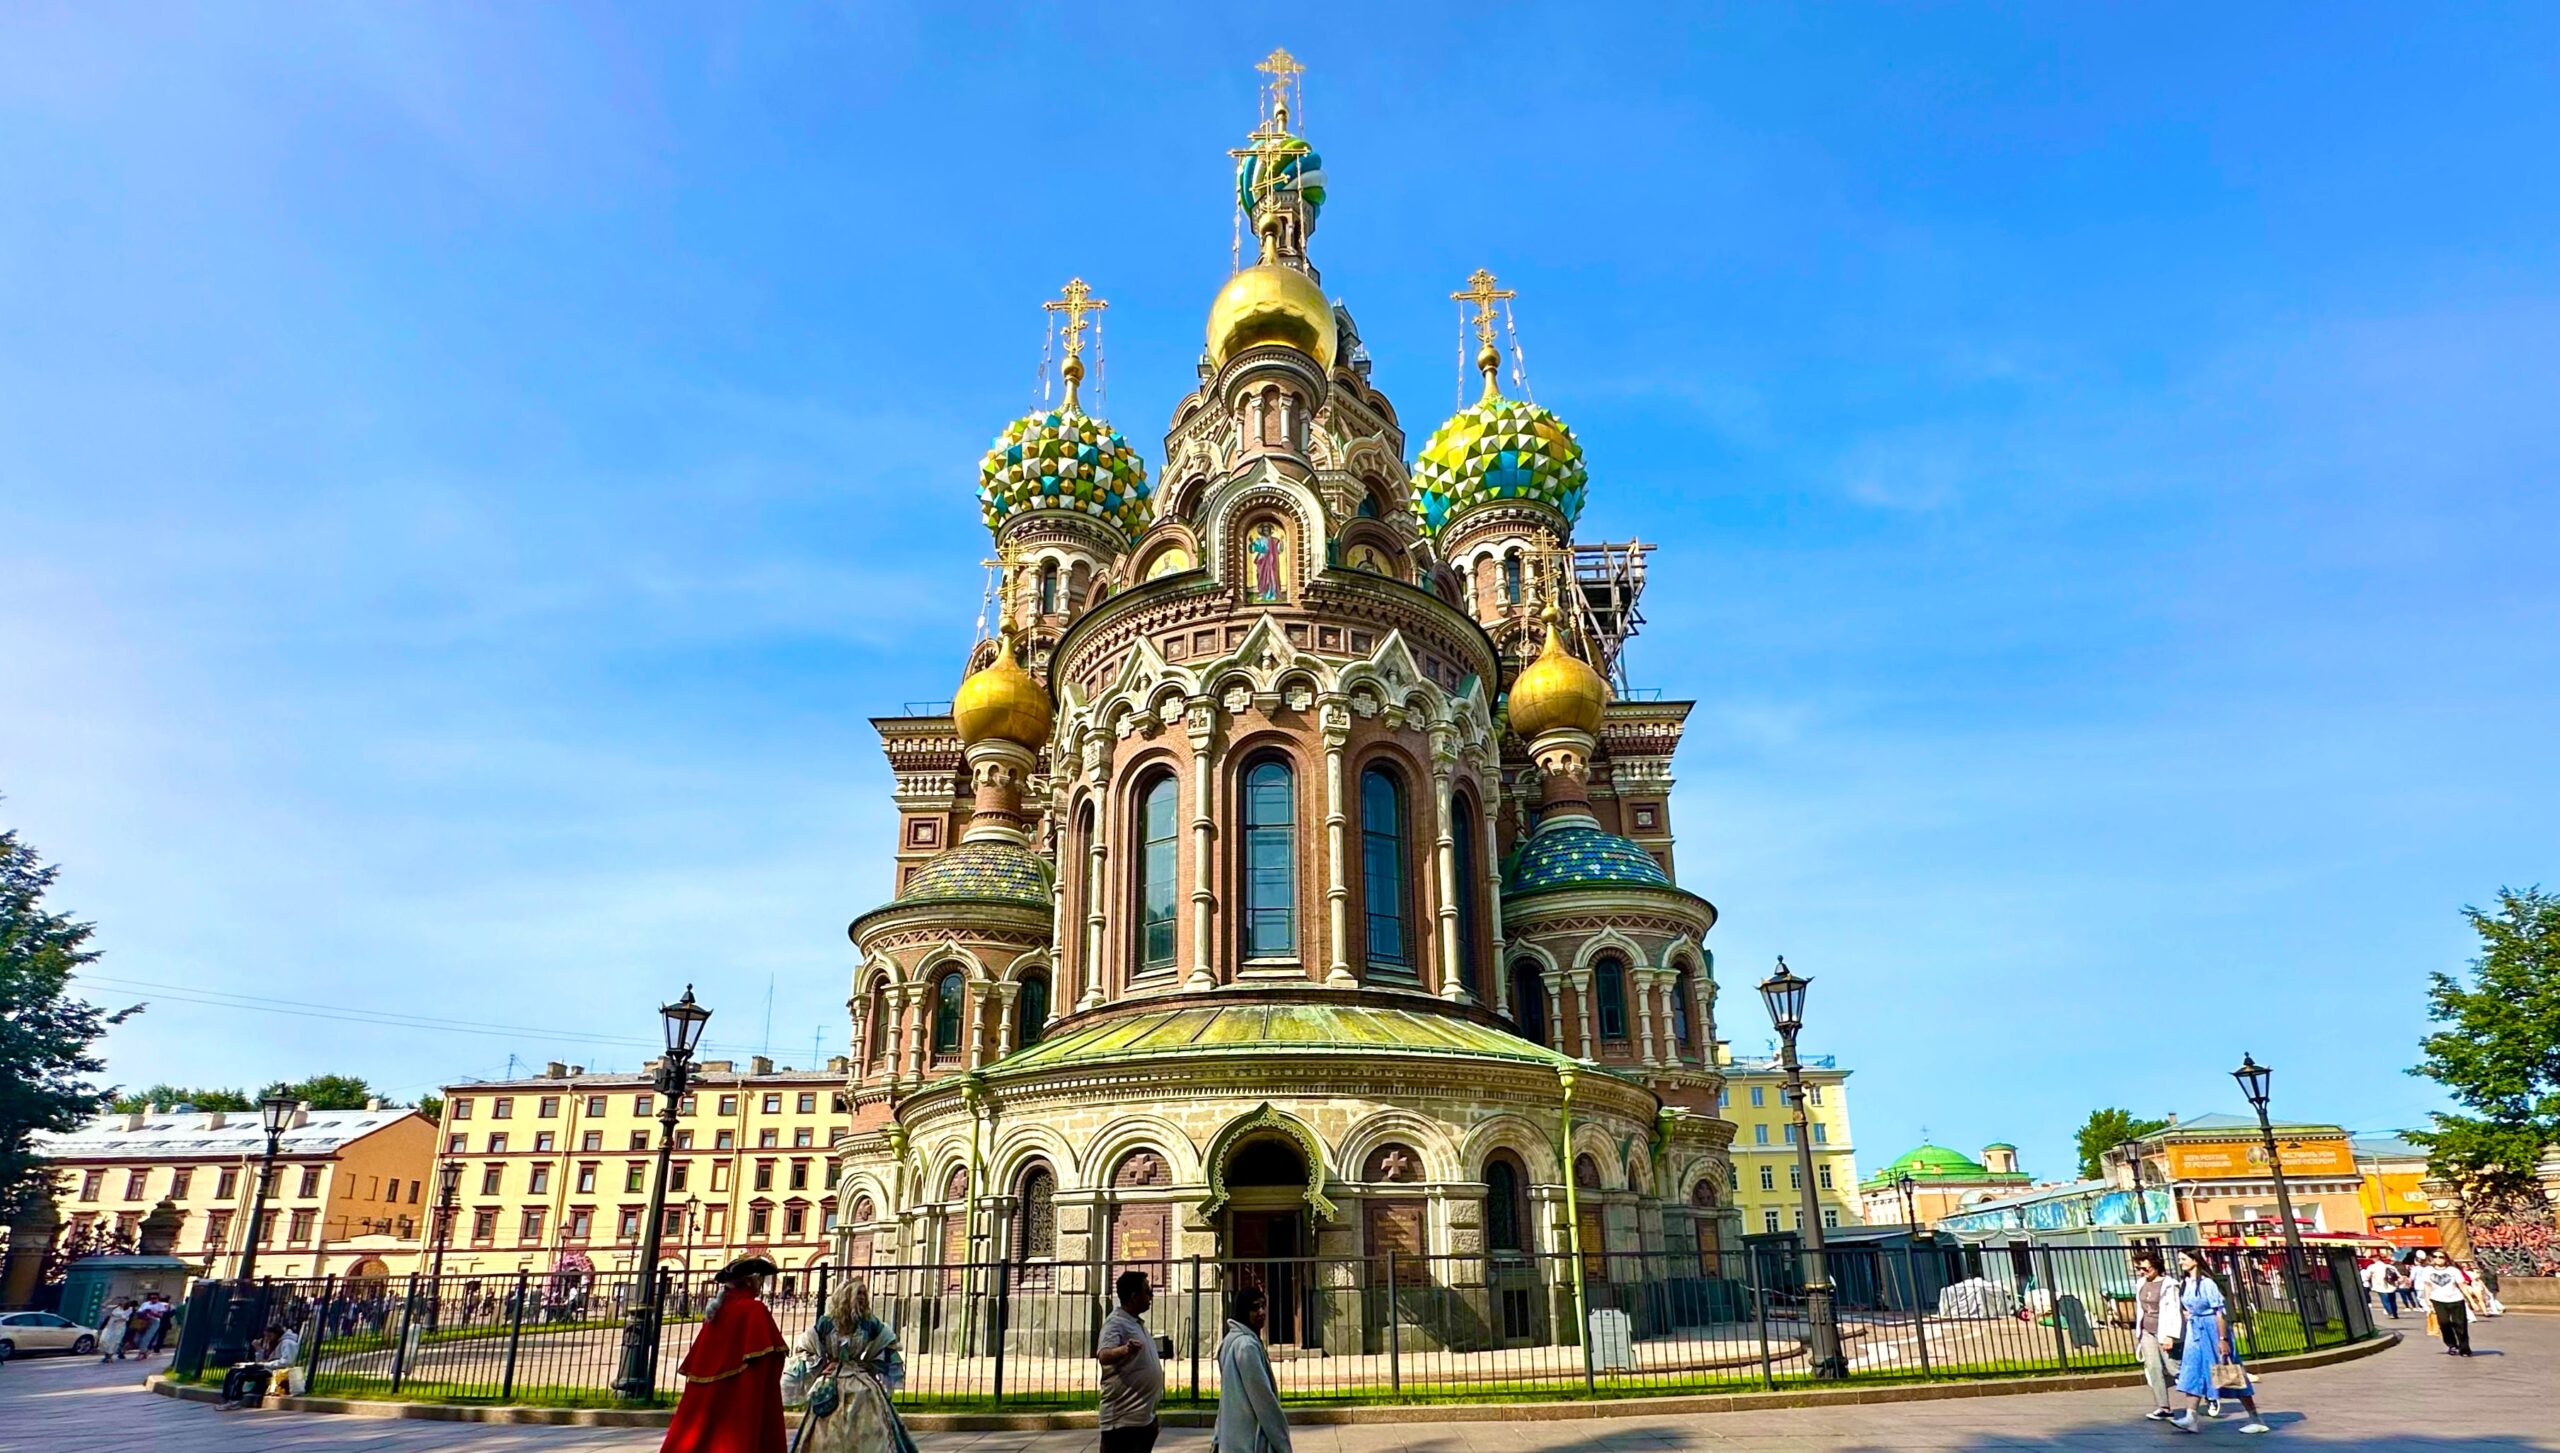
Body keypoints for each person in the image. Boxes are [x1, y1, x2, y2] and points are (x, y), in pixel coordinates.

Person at [663, 1256, 788, 1453]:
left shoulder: (718, 1310)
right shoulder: (754, 1308)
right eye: (759, 1279)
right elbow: (768, 1359)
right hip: (743, 1389)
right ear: (749, 1281)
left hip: (711, 1391)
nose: (761, 1284)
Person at [780, 1278, 916, 1453]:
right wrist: (822, 1364)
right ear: (846, 1296)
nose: (862, 1297)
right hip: (833, 1378)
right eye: (858, 1293)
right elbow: (807, 1345)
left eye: (864, 1293)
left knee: (867, 1403)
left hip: (859, 1376)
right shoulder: (827, 1322)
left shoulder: (868, 1322)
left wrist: (871, 1364)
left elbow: (888, 1341)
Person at [2167, 1250, 2269, 1435]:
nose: (2180, 1262)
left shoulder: (2207, 1284)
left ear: (2195, 1261)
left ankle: (2255, 1418)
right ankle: (2191, 1416)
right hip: (2195, 1331)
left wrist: (2223, 1339)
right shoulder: (2186, 1283)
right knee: (2193, 1370)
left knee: (2230, 1371)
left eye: (2183, 1259)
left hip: (2212, 1330)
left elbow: (2219, 1313)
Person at [1096, 1270, 1167, 1453]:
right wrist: (1124, 1350)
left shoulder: (1134, 1322)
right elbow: (1103, 1355)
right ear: (1134, 1297)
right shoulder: (1115, 1323)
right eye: (1147, 1291)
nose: (1151, 1296)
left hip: (1142, 1418)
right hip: (1122, 1422)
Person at [1214, 1286, 1291, 1453]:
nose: (1261, 1312)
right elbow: (1263, 1400)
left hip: (1230, 1438)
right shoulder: (1246, 1346)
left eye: (1263, 1306)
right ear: (1244, 1311)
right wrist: (1282, 1443)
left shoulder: (1230, 1341)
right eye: (1255, 1308)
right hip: (1247, 1441)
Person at [2130, 1251, 2184, 1422]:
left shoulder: (2170, 1285)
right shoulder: (2141, 1283)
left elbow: (2174, 1310)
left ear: (2155, 1266)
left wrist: (2170, 1335)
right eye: (2138, 1269)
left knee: (2173, 1368)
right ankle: (2163, 1407)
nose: (2142, 1272)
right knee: (2153, 1368)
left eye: (2145, 1268)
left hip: (2164, 1330)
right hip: (2147, 1331)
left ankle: (2204, 1392)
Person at [2412, 1250, 2473, 1355]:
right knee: (2444, 1323)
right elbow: (2427, 1286)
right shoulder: (2427, 1270)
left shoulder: (2453, 1271)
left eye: (2441, 1257)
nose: (2438, 1259)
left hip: (2456, 1299)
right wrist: (2427, 1299)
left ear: (2446, 1259)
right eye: (2435, 1256)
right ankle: (2452, 1345)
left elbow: (2462, 1285)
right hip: (2438, 1300)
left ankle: (2464, 1348)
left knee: (2460, 1324)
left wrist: (2471, 1300)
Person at [2361, 1253, 2400, 1320]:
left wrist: (2365, 1281)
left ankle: (2391, 1313)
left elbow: (2366, 1276)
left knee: (2386, 1301)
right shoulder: (2390, 1266)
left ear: (2375, 1259)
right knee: (2392, 1301)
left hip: (2380, 1286)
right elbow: (2398, 1275)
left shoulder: (2372, 1267)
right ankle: (2395, 1313)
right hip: (2392, 1286)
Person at [96, 1298, 132, 1363]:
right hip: (110, 1325)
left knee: (114, 1341)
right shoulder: (116, 1307)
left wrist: (118, 1320)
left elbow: (126, 1318)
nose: (121, 1301)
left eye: (124, 1300)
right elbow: (103, 1306)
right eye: (121, 1300)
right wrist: (110, 1300)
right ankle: (106, 1355)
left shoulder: (129, 1309)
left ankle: (109, 1357)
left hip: (119, 1326)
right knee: (105, 1340)